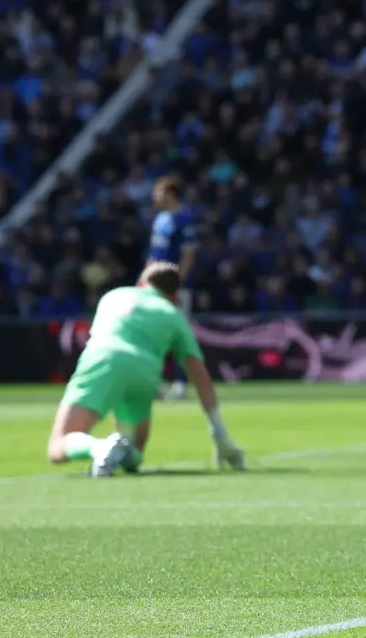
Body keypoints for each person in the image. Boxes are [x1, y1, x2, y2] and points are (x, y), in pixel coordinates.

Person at [46, 261, 245, 477]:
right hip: (145, 372)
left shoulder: (115, 295)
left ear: (142, 283)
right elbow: (200, 376)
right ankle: (119, 449)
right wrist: (219, 433)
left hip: (103, 359)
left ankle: (100, 447)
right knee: (134, 455)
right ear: (174, 296)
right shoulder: (174, 315)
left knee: (59, 444)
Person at [148, 176, 199, 399]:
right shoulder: (160, 219)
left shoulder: (184, 219)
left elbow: (188, 255)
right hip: (154, 286)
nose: (155, 197)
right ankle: (155, 383)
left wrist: (176, 283)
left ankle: (180, 384)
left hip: (175, 287)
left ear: (170, 194)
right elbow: (153, 255)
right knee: (153, 335)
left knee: (178, 336)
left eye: (158, 192)